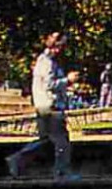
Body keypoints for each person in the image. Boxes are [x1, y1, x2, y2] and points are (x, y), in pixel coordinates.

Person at [6, 31, 80, 180]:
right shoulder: (47, 62)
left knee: (45, 140)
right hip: (50, 106)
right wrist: (68, 80)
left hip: (44, 105)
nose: (62, 50)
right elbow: (49, 84)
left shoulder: (46, 61)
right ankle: (62, 172)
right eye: (61, 46)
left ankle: (17, 159)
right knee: (62, 141)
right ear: (56, 46)